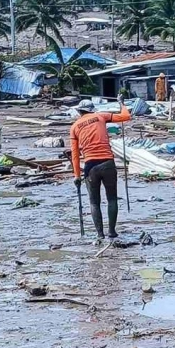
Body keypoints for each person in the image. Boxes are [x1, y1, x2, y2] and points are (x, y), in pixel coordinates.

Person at [70, 99, 132, 241]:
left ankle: (100, 235)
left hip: (90, 166)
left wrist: (77, 176)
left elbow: (75, 154)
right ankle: (112, 232)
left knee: (94, 202)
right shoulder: (101, 116)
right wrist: (121, 103)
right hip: (107, 163)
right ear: (92, 110)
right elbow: (126, 116)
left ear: (80, 111)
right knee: (111, 199)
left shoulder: (74, 127)